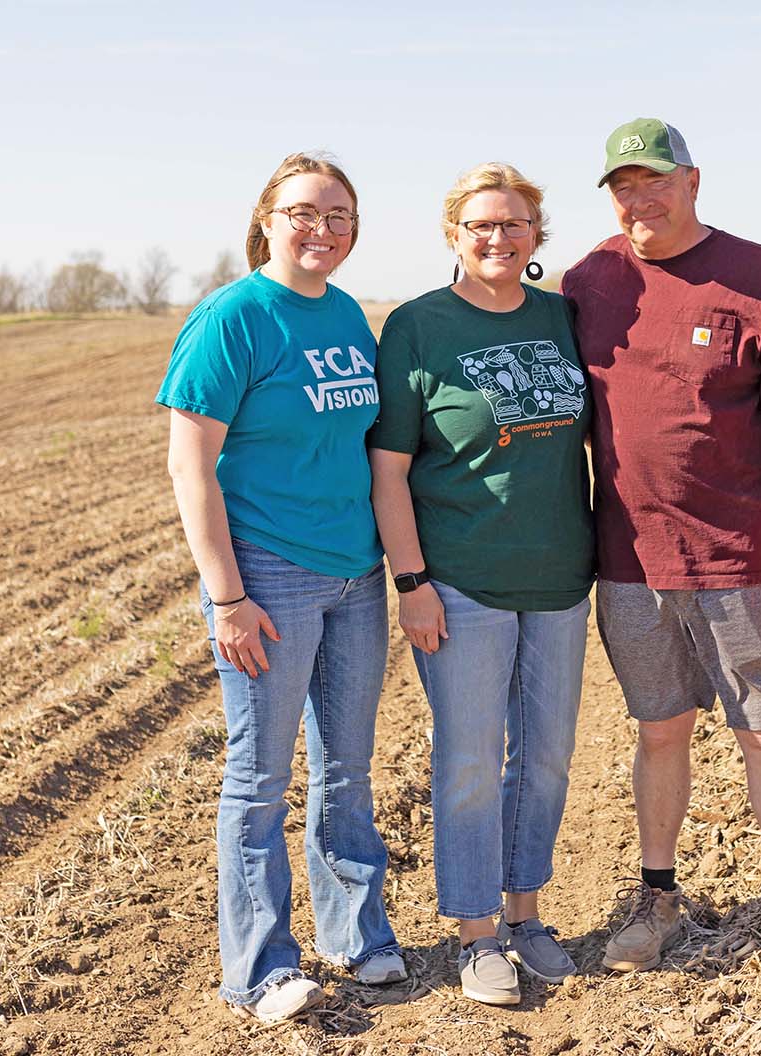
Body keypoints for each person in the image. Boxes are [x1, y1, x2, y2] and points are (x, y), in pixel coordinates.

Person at [562, 118, 761, 980]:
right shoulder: (588, 281)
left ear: (693, 181)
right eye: (623, 185)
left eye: (655, 180)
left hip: (739, 556)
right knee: (659, 732)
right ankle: (657, 901)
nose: (639, 198)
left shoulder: (758, 277)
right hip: (629, 559)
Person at [157, 152, 405, 1025]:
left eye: (340, 216)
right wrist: (227, 596)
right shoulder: (233, 318)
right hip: (269, 575)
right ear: (267, 218)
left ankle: (356, 935)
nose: (323, 229)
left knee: (348, 770)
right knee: (259, 778)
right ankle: (259, 969)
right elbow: (191, 464)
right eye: (305, 212)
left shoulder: (343, 313)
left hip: (354, 572)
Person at [368, 163, 594, 1007]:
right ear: (452, 235)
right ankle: (475, 935)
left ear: (538, 235)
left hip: (561, 578)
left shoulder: (561, 317)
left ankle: (526, 915)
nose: (498, 239)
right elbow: (388, 469)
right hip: (460, 580)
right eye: (481, 226)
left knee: (545, 758)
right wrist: (412, 579)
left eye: (515, 224)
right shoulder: (418, 327)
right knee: (468, 763)